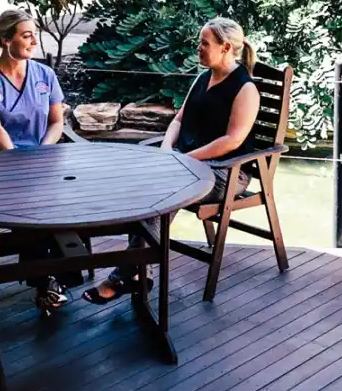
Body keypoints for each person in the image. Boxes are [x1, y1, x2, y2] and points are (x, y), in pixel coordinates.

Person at [82, 17, 260, 305]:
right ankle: (139, 272)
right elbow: (178, 120)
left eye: (204, 43)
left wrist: (185, 159)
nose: (198, 48)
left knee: (163, 193)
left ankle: (124, 276)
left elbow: (232, 141)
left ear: (226, 47)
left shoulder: (245, 89)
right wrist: (166, 151)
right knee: (141, 183)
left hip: (226, 172)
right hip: (187, 163)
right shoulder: (204, 77)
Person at [0, 8, 78, 314]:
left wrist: (42, 152)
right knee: (33, 206)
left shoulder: (45, 75)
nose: (34, 41)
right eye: (27, 35)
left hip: (43, 159)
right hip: (1, 164)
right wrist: (21, 163)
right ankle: (48, 281)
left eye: (35, 34)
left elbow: (57, 122)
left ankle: (48, 278)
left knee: (70, 198)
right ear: (5, 40)